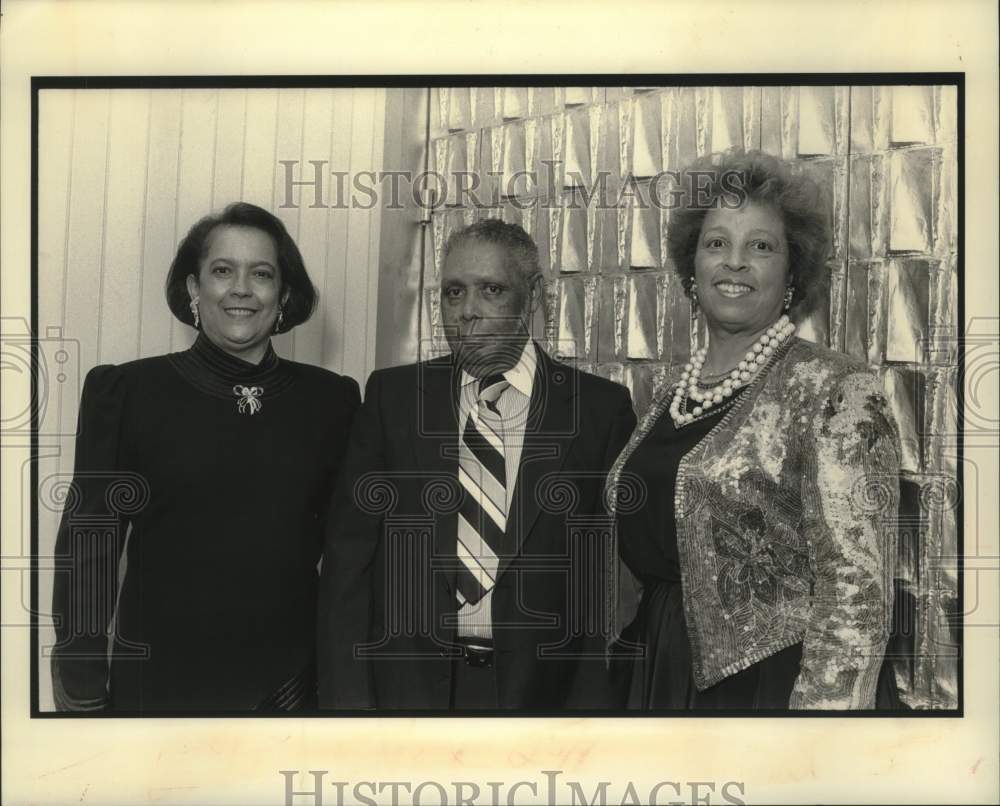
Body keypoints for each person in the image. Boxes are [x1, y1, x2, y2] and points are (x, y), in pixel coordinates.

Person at [606, 150, 901, 710]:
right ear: (691, 266)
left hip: (770, 691)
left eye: (760, 246)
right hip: (661, 673)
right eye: (717, 243)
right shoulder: (673, 393)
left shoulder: (834, 388)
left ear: (793, 272)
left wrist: (809, 748)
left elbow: (855, 595)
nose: (734, 262)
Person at [51, 202, 360, 712]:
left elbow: (350, 561)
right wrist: (83, 689)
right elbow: (90, 549)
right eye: (222, 271)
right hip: (158, 688)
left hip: (289, 690)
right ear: (194, 289)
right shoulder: (127, 392)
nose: (241, 288)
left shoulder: (332, 402)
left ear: (282, 295)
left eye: (261, 274)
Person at [317, 218, 636, 710]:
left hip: (540, 703)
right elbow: (348, 566)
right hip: (406, 700)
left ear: (531, 297)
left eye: (491, 290)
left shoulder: (598, 411)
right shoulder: (393, 399)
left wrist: (589, 717)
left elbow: (610, 585)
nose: (468, 312)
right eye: (453, 293)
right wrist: (348, 708)